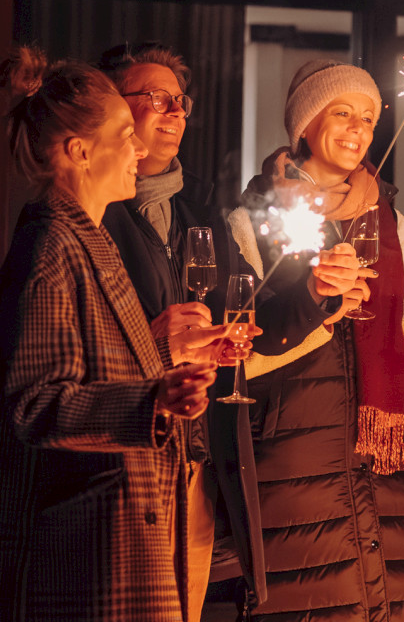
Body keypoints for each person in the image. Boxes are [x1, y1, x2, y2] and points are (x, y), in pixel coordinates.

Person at [0, 46, 229, 622]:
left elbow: (98, 365)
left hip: (124, 532)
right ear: (79, 151)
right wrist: (153, 398)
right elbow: (36, 404)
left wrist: (166, 364)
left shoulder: (91, 239)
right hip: (86, 551)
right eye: (123, 135)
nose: (138, 147)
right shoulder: (51, 246)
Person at [94, 42, 361, 618]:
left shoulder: (198, 214)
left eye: (181, 101)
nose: (176, 112)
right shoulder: (87, 216)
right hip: (117, 461)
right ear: (111, 109)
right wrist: (154, 341)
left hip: (195, 463)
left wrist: (316, 291)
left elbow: (249, 328)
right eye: (157, 98)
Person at [223, 60, 404, 621]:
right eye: (341, 112)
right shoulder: (253, 220)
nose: (357, 129)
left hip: (384, 458)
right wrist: (320, 307)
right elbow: (239, 342)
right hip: (295, 453)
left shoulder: (389, 219)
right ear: (305, 124)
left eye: (368, 118)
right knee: (312, 601)